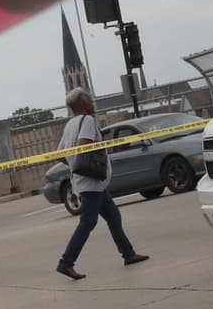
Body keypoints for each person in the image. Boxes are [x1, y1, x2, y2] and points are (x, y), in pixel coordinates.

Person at [55, 88, 149, 280]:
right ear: (83, 103)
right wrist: (87, 160)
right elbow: (83, 146)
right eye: (89, 100)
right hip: (91, 180)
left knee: (113, 216)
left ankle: (128, 253)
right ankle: (66, 262)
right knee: (88, 222)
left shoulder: (70, 125)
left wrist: (74, 163)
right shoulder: (88, 121)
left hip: (90, 181)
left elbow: (59, 154)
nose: (92, 103)